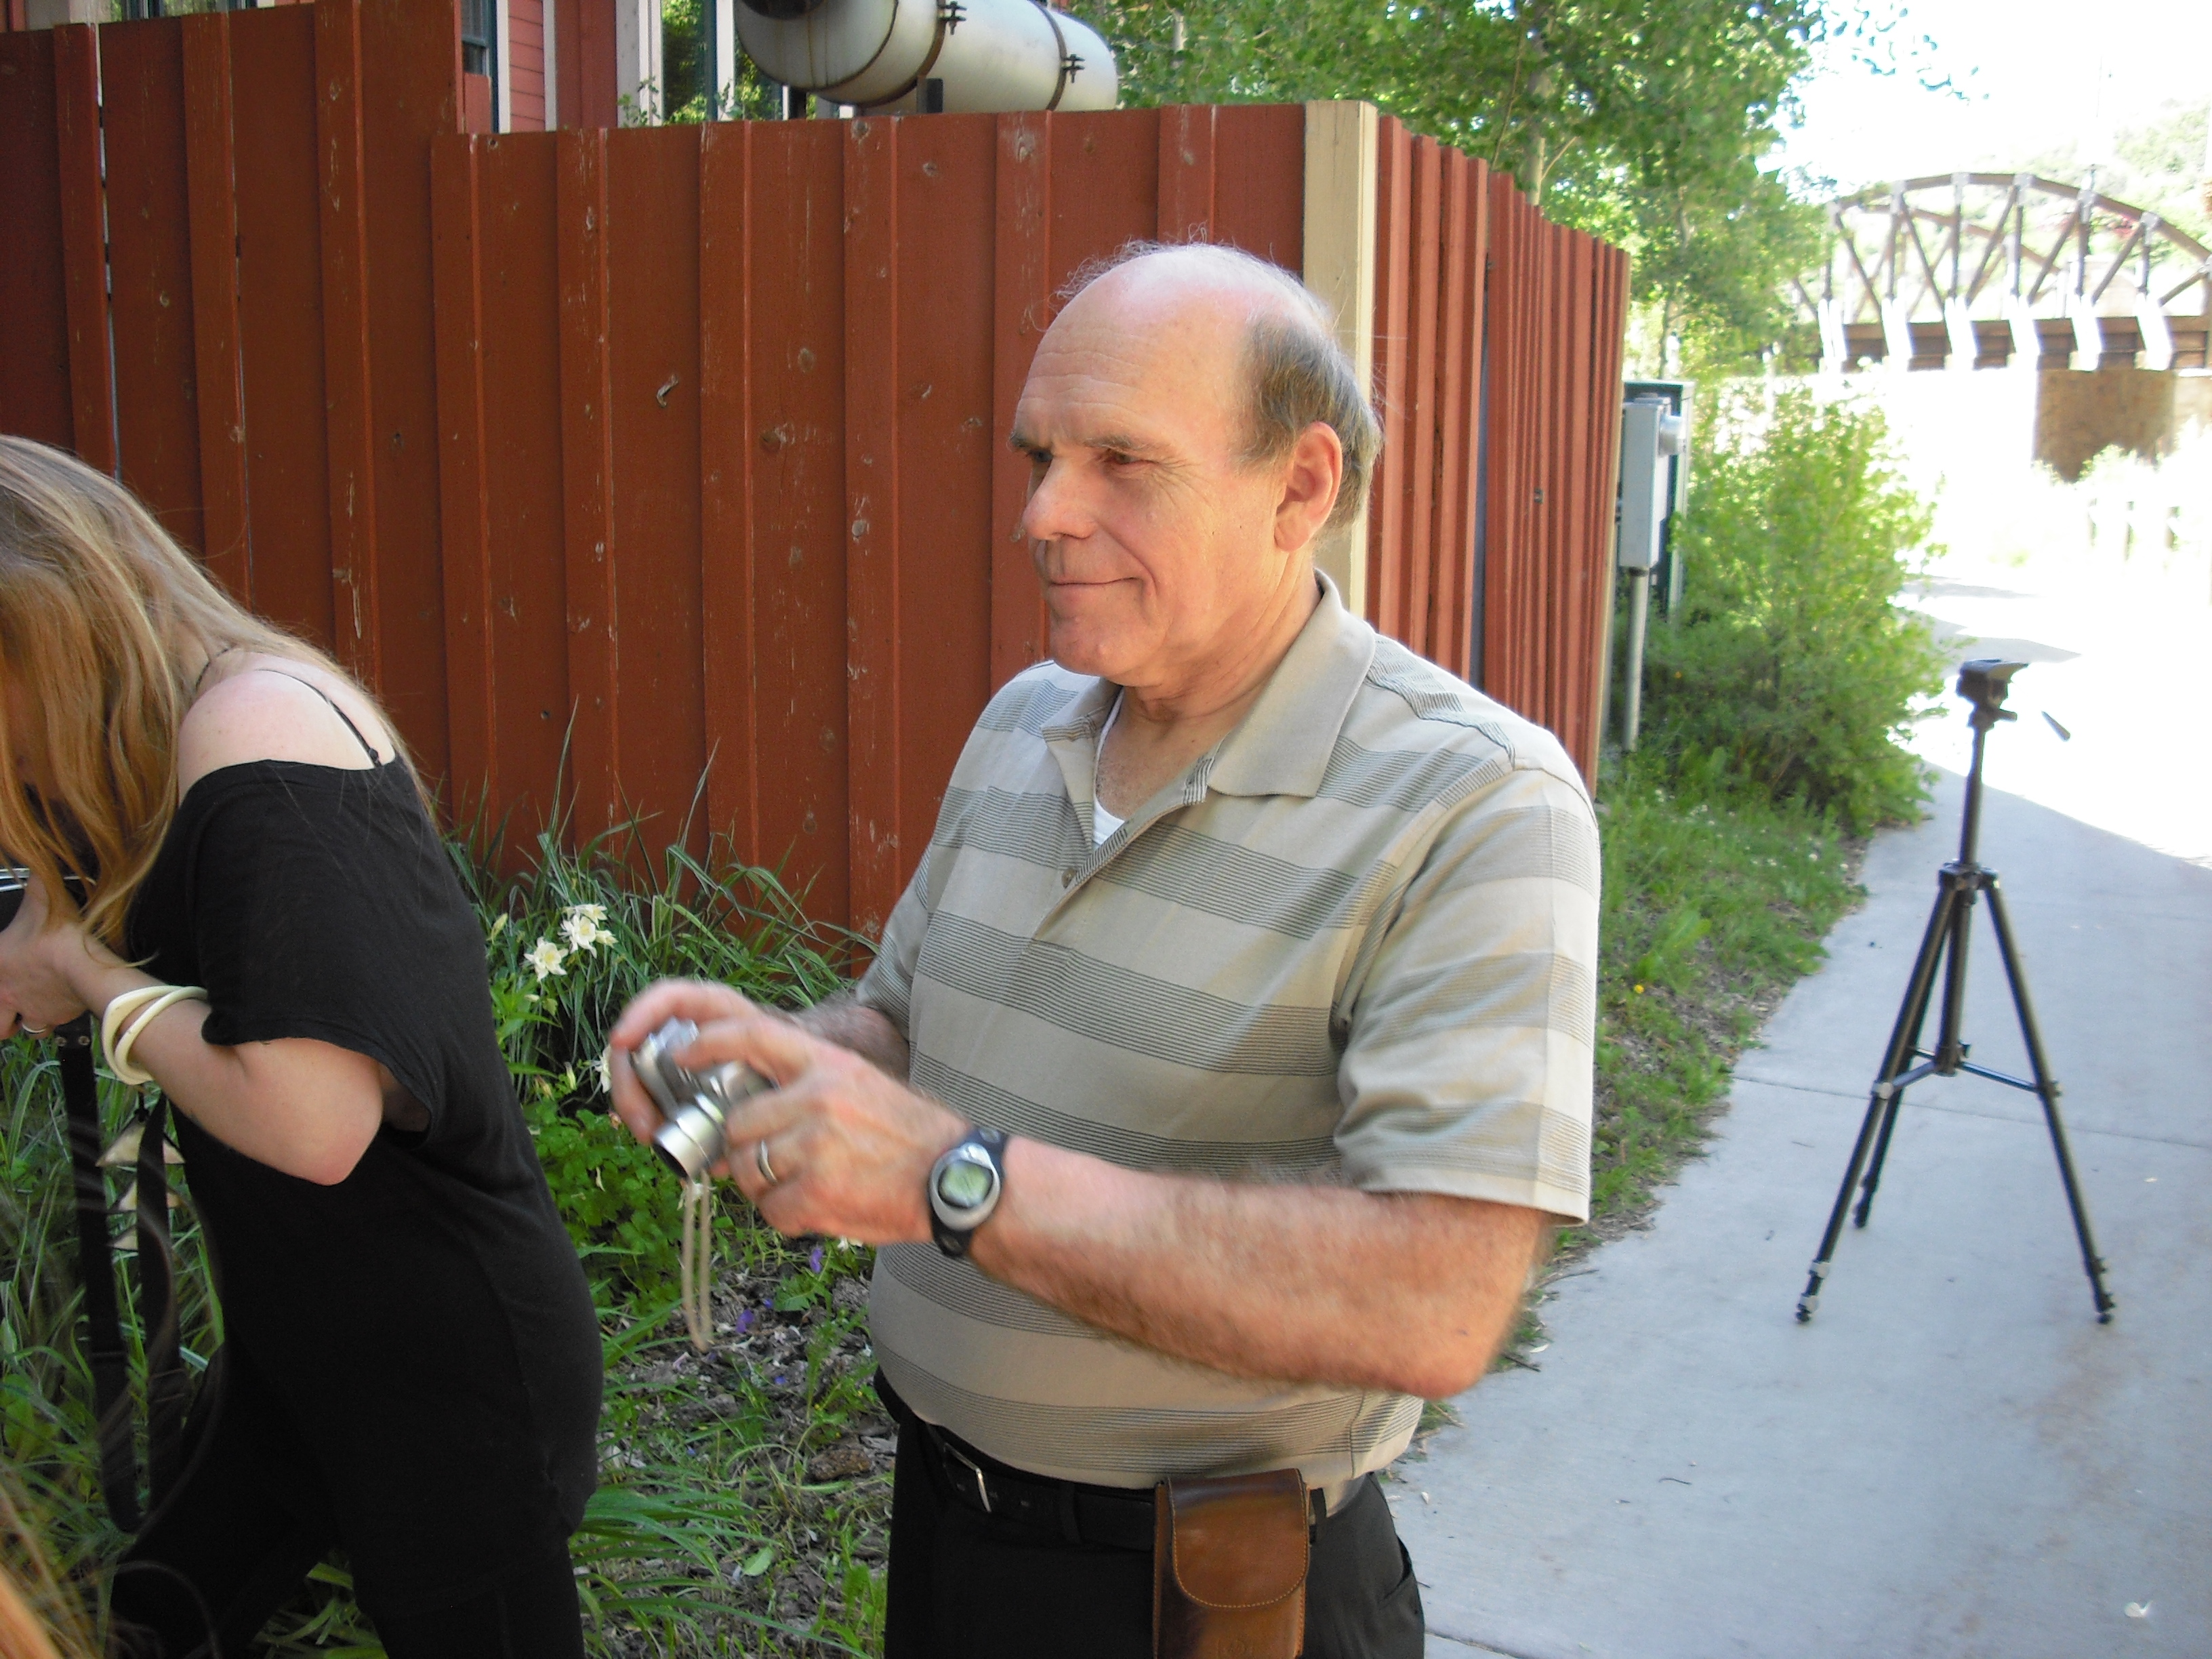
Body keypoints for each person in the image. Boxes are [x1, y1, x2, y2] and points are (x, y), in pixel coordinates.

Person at [607, 243, 1598, 1658]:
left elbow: (1434, 1302)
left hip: (1210, 1601)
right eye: (1040, 458)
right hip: (947, 1534)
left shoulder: (1477, 800)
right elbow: (907, 1025)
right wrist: (777, 1064)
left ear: (1300, 488)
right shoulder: (1027, 719)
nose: (1044, 514)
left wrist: (954, 1181)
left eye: (1122, 462)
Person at [0, 438, 602, 1658]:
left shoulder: (258, 733)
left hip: (447, 1377)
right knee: (159, 1620)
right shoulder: (180, 733)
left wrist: (85, 975)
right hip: (306, 1342)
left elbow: (315, 1122)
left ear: (46, 630)